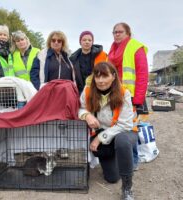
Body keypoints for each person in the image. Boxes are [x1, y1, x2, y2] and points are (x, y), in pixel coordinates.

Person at [79, 62, 137, 200]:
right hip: (104, 132)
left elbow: (125, 125)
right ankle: (118, 157)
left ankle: (127, 187)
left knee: (122, 142)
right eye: (97, 76)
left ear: (113, 76)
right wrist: (86, 115)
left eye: (105, 76)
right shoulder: (88, 91)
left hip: (125, 131)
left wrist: (99, 138)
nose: (100, 81)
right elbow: (80, 108)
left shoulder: (124, 93)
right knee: (111, 178)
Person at [108, 22, 149, 170]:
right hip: (115, 95)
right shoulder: (112, 50)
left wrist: (137, 100)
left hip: (130, 96)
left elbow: (143, 75)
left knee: (130, 129)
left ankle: (134, 160)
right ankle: (120, 159)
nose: (117, 34)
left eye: (120, 32)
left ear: (128, 34)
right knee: (117, 126)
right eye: (114, 32)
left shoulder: (136, 48)